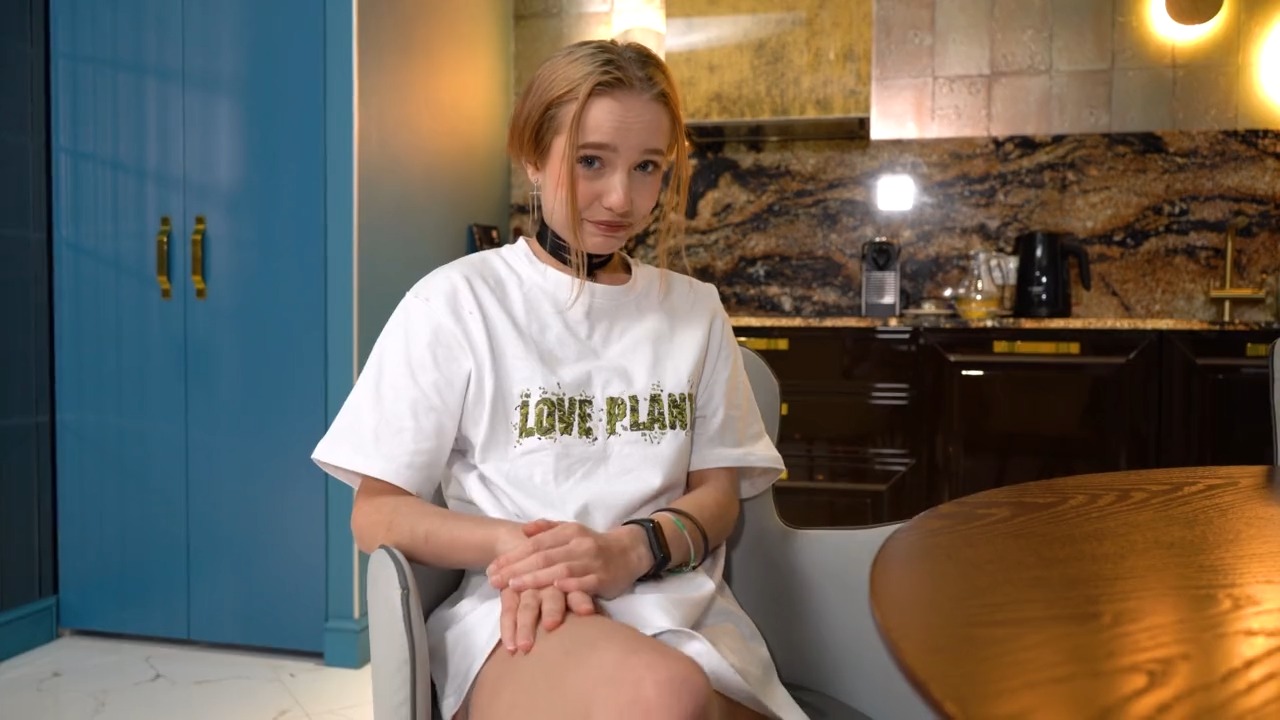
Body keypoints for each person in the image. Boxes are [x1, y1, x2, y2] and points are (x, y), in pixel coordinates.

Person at [311, 39, 807, 720]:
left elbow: (718, 496)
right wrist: (520, 550)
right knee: (665, 695)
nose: (620, 197)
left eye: (647, 167)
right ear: (532, 158)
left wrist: (633, 548)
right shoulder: (456, 301)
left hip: (682, 610)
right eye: (590, 161)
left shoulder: (695, 311)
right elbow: (375, 514)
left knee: (686, 691)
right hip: (523, 616)